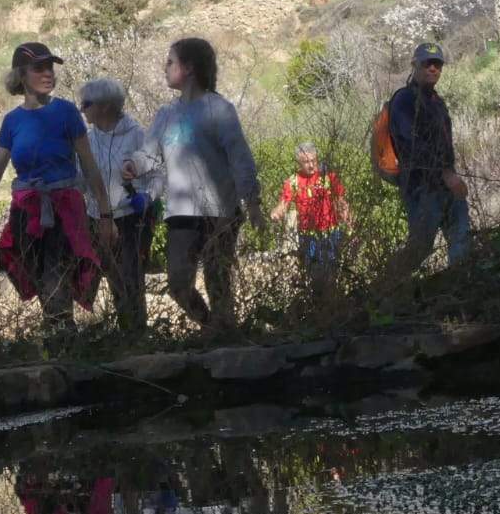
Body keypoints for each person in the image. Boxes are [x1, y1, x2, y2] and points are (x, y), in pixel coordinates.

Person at [0, 42, 115, 329]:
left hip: (65, 213)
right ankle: (61, 345)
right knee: (40, 279)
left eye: (50, 67)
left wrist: (106, 214)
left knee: (56, 280)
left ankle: (60, 344)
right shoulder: (12, 121)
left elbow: (90, 165)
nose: (48, 74)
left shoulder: (67, 112)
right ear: (21, 75)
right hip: (27, 214)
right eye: (39, 68)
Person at [124, 38, 262, 333]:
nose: (165, 67)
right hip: (181, 213)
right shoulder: (165, 115)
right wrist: (133, 166)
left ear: (189, 68)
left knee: (218, 279)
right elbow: (149, 154)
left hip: (221, 211)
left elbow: (240, 158)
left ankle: (226, 336)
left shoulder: (219, 109)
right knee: (177, 282)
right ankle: (211, 326)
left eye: (170, 61)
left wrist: (253, 204)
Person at [78, 77, 159, 331]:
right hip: (97, 219)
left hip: (130, 220)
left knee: (131, 279)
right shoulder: (86, 141)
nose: (82, 109)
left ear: (104, 106)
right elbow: (80, 181)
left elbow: (157, 174)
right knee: (109, 279)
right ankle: (121, 336)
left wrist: (147, 197)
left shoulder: (136, 135)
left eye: (86, 104)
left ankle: (136, 336)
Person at [388, 42, 470, 271]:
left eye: (437, 64)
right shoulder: (403, 100)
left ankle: (461, 286)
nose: (433, 68)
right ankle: (385, 287)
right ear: (415, 65)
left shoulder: (437, 102)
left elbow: (444, 146)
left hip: (446, 187)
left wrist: (449, 174)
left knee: (461, 237)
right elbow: (410, 145)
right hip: (421, 189)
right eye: (427, 63)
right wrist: (445, 173)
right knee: (420, 249)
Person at [269, 142, 353, 292]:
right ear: (299, 162)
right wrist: (276, 213)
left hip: (331, 234)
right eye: (306, 162)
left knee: (332, 274)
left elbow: (340, 200)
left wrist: (347, 215)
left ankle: (333, 303)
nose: (311, 165)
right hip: (308, 238)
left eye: (314, 160)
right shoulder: (293, 182)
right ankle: (317, 306)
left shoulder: (328, 177)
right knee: (314, 276)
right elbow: (284, 203)